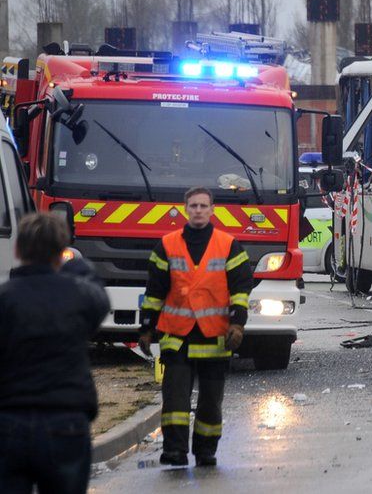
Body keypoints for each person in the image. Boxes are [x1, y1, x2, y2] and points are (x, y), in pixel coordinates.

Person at [138, 186, 252, 467]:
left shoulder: (228, 245)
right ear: (185, 209)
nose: (198, 210)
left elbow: (240, 290)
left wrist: (237, 325)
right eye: (194, 206)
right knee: (175, 401)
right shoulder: (166, 245)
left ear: (213, 210)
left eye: (203, 206)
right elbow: (155, 291)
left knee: (211, 403)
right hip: (177, 336)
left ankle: (205, 451)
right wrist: (146, 328)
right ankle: (174, 451)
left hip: (215, 337)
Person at [0, 213, 110, 493]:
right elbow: (100, 299)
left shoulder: (5, 298)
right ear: (60, 251)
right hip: (65, 419)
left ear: (17, 249)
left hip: (9, 421)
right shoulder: (79, 294)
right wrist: (79, 265)